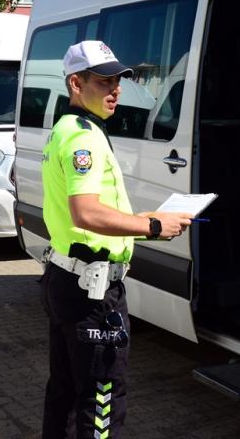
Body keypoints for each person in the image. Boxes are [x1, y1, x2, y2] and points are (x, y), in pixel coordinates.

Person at [40, 40, 193, 439]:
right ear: (76, 83)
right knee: (100, 399)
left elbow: (86, 218)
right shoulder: (84, 139)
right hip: (91, 291)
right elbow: (86, 213)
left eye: (119, 80)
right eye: (105, 81)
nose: (117, 89)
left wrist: (149, 218)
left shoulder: (68, 127)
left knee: (64, 392)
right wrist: (152, 228)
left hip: (66, 277)